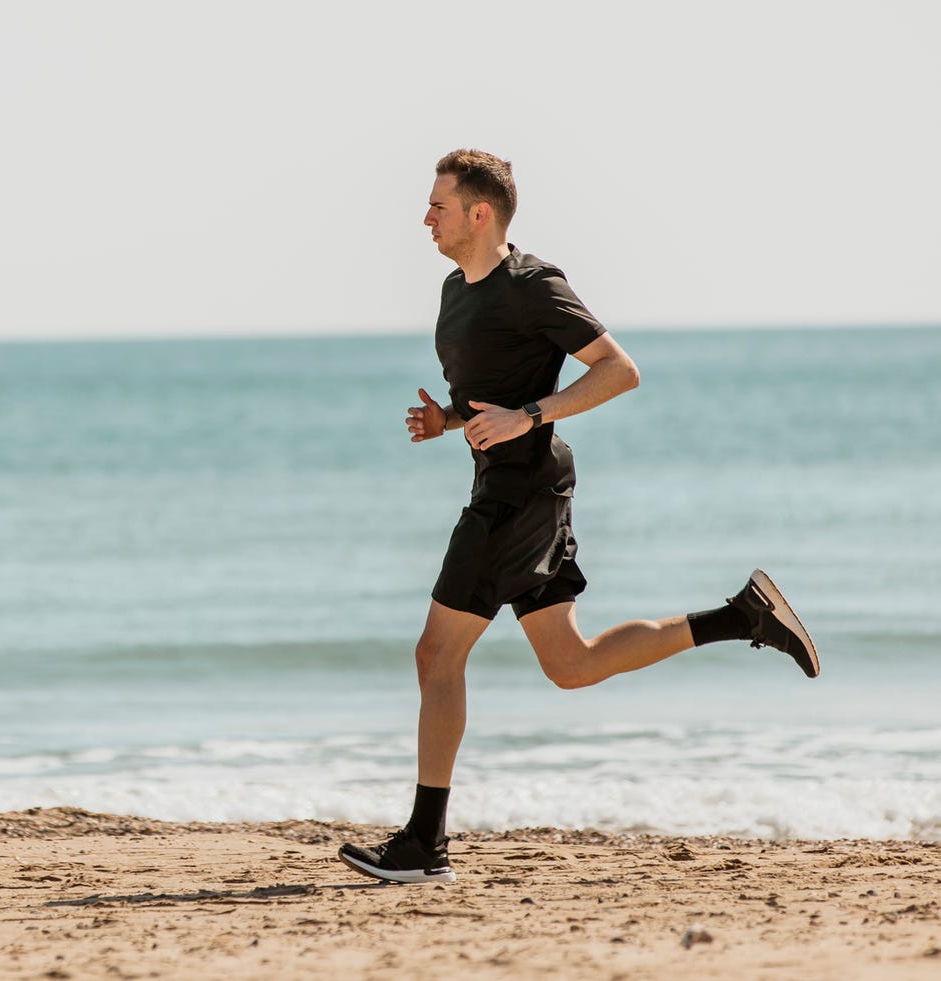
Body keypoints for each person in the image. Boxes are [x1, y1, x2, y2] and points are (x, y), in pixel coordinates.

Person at [338, 149, 818, 885]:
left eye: (438, 205)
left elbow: (618, 370)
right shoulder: (452, 291)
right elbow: (489, 399)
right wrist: (448, 421)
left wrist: (532, 414)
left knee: (437, 655)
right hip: (513, 481)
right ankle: (742, 616)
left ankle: (424, 844)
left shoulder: (532, 284)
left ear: (480, 213)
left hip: (519, 493)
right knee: (571, 663)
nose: (425, 217)